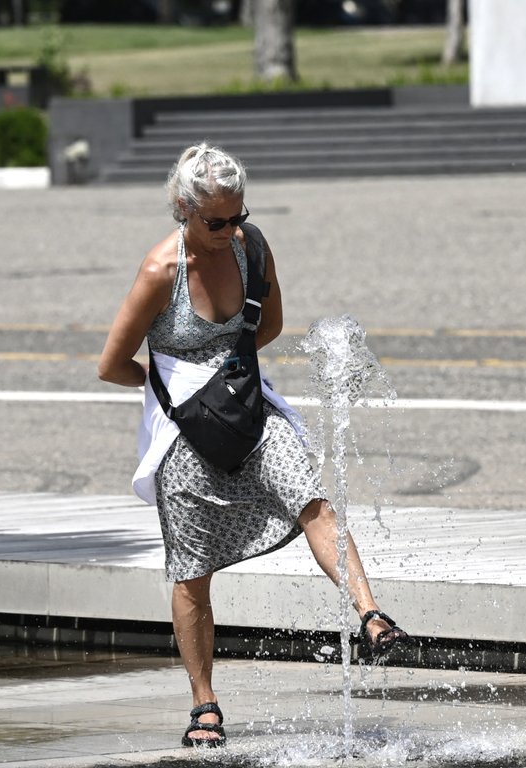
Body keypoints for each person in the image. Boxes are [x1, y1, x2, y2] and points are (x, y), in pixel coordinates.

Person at [97, 143, 409, 749]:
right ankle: (204, 705)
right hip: (184, 432)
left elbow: (268, 324)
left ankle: (371, 616)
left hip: (250, 408)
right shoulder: (160, 272)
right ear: (183, 211)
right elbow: (111, 365)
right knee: (192, 574)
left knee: (311, 497)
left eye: (238, 215)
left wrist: (229, 376)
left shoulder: (250, 245)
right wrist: (172, 389)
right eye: (217, 221)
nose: (231, 229)